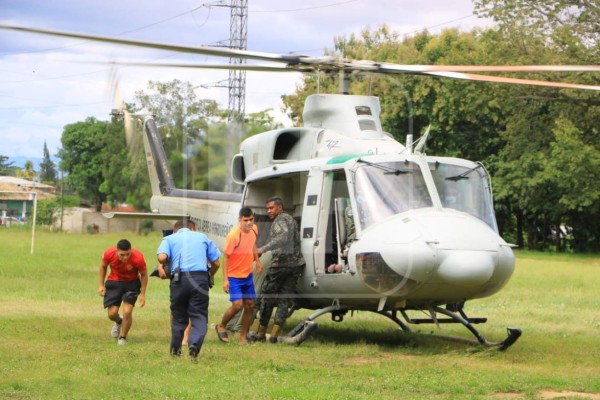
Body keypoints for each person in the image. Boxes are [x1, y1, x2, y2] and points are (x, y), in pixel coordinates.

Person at [157, 219, 220, 361]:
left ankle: (175, 351)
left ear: (176, 230)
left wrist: (166, 262)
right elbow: (216, 262)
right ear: (193, 228)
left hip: (179, 280)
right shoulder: (202, 237)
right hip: (200, 279)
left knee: (179, 318)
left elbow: (161, 257)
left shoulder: (169, 238)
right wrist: (210, 276)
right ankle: (194, 345)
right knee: (199, 316)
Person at [255, 197, 305, 343]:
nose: (269, 211)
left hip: (280, 266)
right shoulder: (291, 220)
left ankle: (261, 333)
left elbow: (283, 237)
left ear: (279, 208)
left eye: (271, 208)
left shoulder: (280, 220)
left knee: (267, 298)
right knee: (284, 299)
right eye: (267, 209)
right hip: (295, 265)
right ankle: (275, 334)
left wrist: (263, 248)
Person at [216, 207, 263, 344]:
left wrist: (258, 261)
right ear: (240, 220)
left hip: (247, 274)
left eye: (251, 219)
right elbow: (226, 257)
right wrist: (225, 279)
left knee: (250, 305)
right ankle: (221, 326)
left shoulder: (254, 229)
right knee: (237, 305)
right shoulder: (234, 236)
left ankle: (243, 336)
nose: (249, 223)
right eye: (245, 220)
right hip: (234, 276)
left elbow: (253, 245)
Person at [98, 239, 148, 346]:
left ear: (131, 251)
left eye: (127, 254)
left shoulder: (138, 257)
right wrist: (101, 284)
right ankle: (119, 321)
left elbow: (144, 274)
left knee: (127, 311)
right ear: (117, 251)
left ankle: (122, 337)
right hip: (114, 282)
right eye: (122, 255)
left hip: (132, 284)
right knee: (112, 314)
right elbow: (103, 266)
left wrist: (143, 294)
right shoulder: (109, 253)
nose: (125, 257)